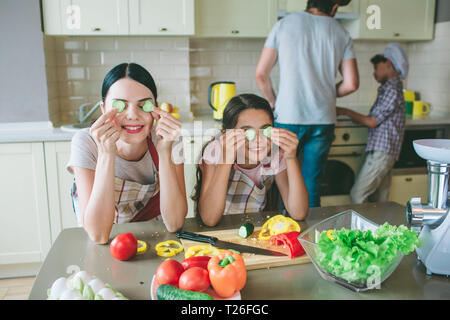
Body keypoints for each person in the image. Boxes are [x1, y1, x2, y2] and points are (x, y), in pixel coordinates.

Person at [66, 63, 187, 244]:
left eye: (143, 105)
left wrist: (164, 152)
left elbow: (175, 223)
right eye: (120, 106)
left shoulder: (168, 138)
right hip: (108, 243)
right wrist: (106, 153)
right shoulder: (86, 142)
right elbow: (98, 235)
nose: (132, 115)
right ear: (103, 109)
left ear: (155, 108)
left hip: (157, 239)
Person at [255, 0, 359, 208]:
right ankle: (310, 233)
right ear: (334, 7)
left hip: (288, 117)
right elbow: (351, 84)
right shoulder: (341, 32)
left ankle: (280, 232)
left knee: (281, 179)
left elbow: (261, 74)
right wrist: (327, 94)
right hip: (324, 119)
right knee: (312, 182)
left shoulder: (285, 24)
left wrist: (273, 102)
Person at [192, 94, 309, 227]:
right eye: (247, 132)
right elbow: (209, 219)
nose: (258, 140)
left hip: (255, 229)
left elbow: (299, 213)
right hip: (217, 230)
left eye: (265, 130)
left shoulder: (276, 154)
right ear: (226, 135)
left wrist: (291, 157)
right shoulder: (216, 151)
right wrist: (226, 158)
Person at [336, 43, 408, 204]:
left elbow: (372, 121)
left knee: (357, 194)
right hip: (384, 152)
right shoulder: (388, 88)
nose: (374, 73)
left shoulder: (392, 90)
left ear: (388, 63)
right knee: (380, 200)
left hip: (383, 152)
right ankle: (380, 229)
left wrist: (344, 111)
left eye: (376, 67)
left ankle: (360, 229)